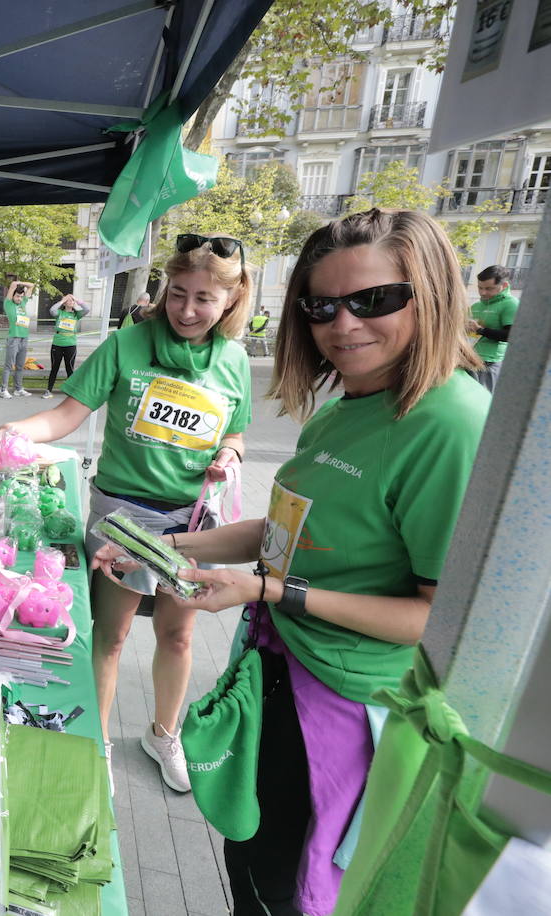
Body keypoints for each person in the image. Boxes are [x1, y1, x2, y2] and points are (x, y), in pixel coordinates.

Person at [97, 209, 488, 916]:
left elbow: (433, 618)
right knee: (250, 861)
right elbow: (280, 532)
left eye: (374, 300)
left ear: (429, 292)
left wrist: (272, 591)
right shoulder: (348, 404)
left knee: (282, 886)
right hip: (280, 672)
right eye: (321, 305)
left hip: (341, 709)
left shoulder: (448, 423)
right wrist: (159, 545)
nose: (343, 325)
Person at [0, 233, 254, 794]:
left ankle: (165, 734)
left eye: (204, 299)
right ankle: (97, 742)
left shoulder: (235, 361)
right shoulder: (125, 345)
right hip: (122, 520)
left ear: (230, 301)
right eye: (177, 293)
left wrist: (230, 453)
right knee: (108, 638)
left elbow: (234, 428)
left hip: (191, 526)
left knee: (178, 637)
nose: (187, 310)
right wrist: (13, 431)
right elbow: (67, 414)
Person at [467, 264, 518, 392]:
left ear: (504, 286)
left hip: (489, 363)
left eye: (489, 288)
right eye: (480, 288)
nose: (483, 292)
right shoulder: (477, 306)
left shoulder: (511, 304)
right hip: (469, 359)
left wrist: (481, 330)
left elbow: (512, 335)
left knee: (481, 402)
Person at [44, 293, 89, 398]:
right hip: (57, 344)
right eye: (68, 300)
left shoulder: (76, 314)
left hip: (70, 344)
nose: (71, 302)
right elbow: (52, 310)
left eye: (72, 300)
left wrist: (76, 299)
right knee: (54, 367)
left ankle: (71, 392)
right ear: (64, 302)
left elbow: (87, 309)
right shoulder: (59, 313)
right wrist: (62, 301)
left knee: (70, 368)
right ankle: (48, 390)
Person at [0, 279, 36, 398]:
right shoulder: (8, 303)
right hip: (14, 338)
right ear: (13, 295)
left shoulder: (23, 303)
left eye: (21, 296)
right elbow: (13, 284)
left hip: (24, 338)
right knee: (9, 365)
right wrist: (18, 284)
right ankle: (3, 389)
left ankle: (18, 389)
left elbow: (32, 285)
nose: (19, 298)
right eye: (17, 296)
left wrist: (23, 287)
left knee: (20, 366)